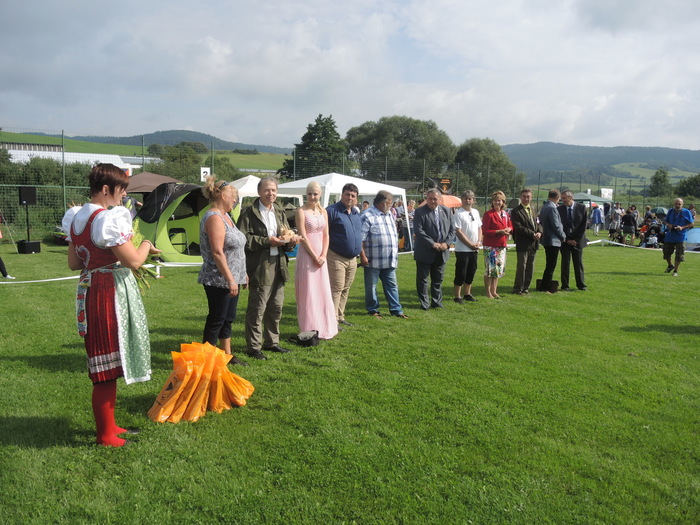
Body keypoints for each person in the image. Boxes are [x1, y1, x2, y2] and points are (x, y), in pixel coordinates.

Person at [62, 163, 160, 447]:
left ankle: (110, 425)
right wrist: (146, 244)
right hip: (107, 293)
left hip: (90, 289)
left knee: (108, 361)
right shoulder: (107, 219)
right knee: (104, 365)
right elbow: (134, 261)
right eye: (121, 190)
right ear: (106, 189)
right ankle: (105, 435)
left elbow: (74, 263)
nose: (123, 196)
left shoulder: (77, 217)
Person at [237, 177, 299, 360]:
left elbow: (285, 235)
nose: (270, 193)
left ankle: (272, 342)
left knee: (276, 306)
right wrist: (266, 241)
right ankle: (253, 347)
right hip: (259, 266)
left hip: (279, 264)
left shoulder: (279, 211)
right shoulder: (249, 212)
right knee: (257, 308)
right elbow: (242, 239)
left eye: (273, 190)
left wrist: (291, 242)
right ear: (259, 192)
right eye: (267, 190)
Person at [198, 176, 248, 365]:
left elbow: (236, 249)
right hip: (218, 279)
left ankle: (227, 355)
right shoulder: (214, 218)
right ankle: (207, 359)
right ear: (222, 195)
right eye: (233, 196)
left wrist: (242, 274)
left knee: (228, 318)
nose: (235, 200)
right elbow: (217, 252)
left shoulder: (227, 216)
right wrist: (230, 279)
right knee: (217, 318)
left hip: (232, 277)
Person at [295, 181, 338, 339]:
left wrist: (323, 255)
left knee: (322, 289)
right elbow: (303, 236)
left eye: (315, 194)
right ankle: (309, 327)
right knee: (309, 291)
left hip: (321, 255)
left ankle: (325, 325)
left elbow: (326, 235)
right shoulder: (301, 211)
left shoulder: (323, 211)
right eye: (309, 194)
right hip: (307, 255)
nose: (312, 197)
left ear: (320, 195)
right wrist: (314, 256)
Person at [360, 190, 408, 319]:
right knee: (371, 287)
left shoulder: (389, 214)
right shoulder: (367, 215)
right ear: (383, 203)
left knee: (392, 286)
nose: (392, 206)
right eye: (390, 203)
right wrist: (363, 256)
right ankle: (373, 310)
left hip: (389, 259)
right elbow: (360, 239)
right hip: (373, 260)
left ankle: (396, 310)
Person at [326, 183, 363, 327]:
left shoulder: (355, 213)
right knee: (336, 289)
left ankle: (340, 316)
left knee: (346, 288)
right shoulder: (331, 211)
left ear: (356, 198)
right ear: (342, 195)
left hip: (352, 259)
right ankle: (332, 320)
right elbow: (324, 234)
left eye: (353, 196)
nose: (350, 198)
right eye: (347, 194)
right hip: (336, 256)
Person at [413, 188, 454, 309]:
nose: (432, 201)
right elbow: (418, 230)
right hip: (425, 251)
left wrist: (446, 243)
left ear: (440, 199)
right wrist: (432, 243)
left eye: (435, 199)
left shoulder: (447, 211)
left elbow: (452, 230)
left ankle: (436, 302)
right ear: (426, 198)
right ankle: (424, 303)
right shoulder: (419, 211)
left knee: (438, 279)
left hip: (441, 251)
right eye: (430, 198)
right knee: (423, 280)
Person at [510, 188, 542, 295]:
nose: (526, 199)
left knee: (530, 266)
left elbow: (538, 223)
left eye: (528, 196)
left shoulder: (533, 209)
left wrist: (540, 232)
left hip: (534, 243)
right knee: (522, 267)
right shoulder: (516, 211)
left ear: (531, 197)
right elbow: (518, 227)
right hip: (523, 243)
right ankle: (518, 288)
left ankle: (526, 288)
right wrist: (533, 234)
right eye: (524, 196)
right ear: (520, 197)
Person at [481, 191, 512, 299]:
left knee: (498, 270)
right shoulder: (488, 214)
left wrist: (509, 229)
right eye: (495, 200)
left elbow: (510, 226)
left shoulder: (505, 214)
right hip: (491, 246)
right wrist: (499, 231)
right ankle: (488, 292)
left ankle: (494, 291)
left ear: (503, 202)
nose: (497, 202)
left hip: (502, 245)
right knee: (490, 270)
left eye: (499, 200)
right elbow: (485, 231)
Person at [452, 190, 482, 303]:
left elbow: (479, 228)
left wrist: (478, 242)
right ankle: (457, 296)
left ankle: (467, 294)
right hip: (463, 250)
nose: (467, 201)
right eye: (465, 198)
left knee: (471, 272)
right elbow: (458, 232)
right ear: (462, 200)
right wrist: (470, 244)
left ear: (473, 200)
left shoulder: (476, 212)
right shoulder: (458, 213)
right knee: (461, 273)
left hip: (474, 249)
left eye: (470, 198)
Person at [557, 190, 588, 291]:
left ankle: (581, 285)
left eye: (564, 198)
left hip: (577, 241)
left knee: (578, 264)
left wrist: (576, 240)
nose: (562, 200)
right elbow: (559, 226)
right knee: (565, 264)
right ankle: (565, 285)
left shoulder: (581, 208)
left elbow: (583, 226)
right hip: (565, 241)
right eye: (562, 198)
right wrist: (566, 239)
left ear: (570, 198)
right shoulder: (559, 209)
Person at [538, 189, 566, 293]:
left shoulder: (544, 206)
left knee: (549, 264)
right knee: (551, 265)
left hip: (546, 239)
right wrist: (563, 236)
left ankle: (544, 285)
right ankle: (544, 287)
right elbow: (556, 225)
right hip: (553, 240)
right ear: (557, 198)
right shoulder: (552, 208)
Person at [663, 197, 694, 277]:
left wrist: (682, 227)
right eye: (676, 204)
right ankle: (670, 265)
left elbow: (691, 224)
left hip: (680, 236)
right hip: (670, 235)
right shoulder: (670, 211)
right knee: (666, 252)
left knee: (679, 254)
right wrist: (668, 225)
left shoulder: (686, 212)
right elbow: (665, 221)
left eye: (679, 204)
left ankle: (675, 271)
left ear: (682, 204)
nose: (677, 205)